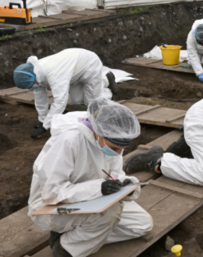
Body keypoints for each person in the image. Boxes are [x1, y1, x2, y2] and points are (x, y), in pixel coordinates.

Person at [28, 98, 152, 257]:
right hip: (49, 207)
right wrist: (99, 188)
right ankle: (66, 248)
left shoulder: (111, 141)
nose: (118, 152)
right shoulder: (69, 140)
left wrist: (124, 185)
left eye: (122, 149)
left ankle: (75, 235)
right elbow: (51, 192)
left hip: (93, 198)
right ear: (98, 133)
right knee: (108, 215)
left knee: (141, 225)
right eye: (115, 147)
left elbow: (114, 174)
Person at [13, 48, 119, 139]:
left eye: (30, 86)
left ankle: (106, 80)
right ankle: (100, 82)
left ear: (34, 79)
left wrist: (45, 127)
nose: (31, 89)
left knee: (91, 104)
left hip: (89, 64)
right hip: (73, 70)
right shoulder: (35, 73)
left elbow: (60, 102)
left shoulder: (54, 74)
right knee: (78, 102)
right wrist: (42, 119)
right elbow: (40, 97)